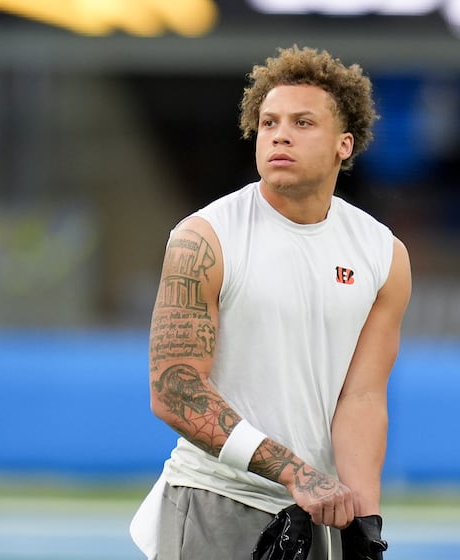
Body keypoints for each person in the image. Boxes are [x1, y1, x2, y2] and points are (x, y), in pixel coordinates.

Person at [130, 45, 412, 560]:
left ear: (343, 145)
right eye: (268, 122)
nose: (280, 134)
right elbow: (174, 391)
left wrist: (365, 520)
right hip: (215, 499)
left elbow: (362, 399)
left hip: (319, 511)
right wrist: (295, 472)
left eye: (303, 122)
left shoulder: (382, 253)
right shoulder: (205, 238)